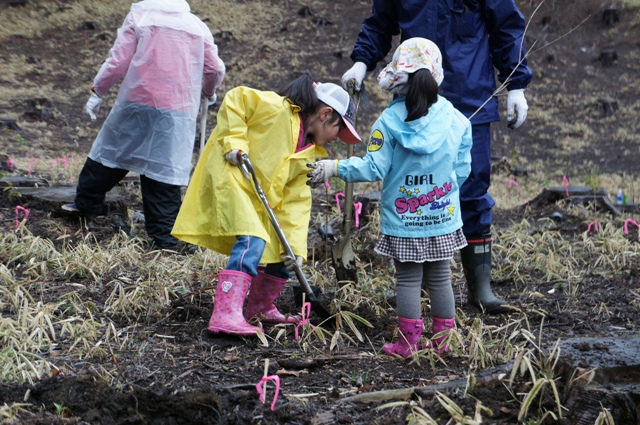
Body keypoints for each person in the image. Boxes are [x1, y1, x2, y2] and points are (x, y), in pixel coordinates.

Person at [341, 0, 533, 314]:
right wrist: (362, 62)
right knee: (413, 188)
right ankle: (418, 284)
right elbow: (381, 23)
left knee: (472, 187)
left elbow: (506, 27)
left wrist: (516, 84)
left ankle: (480, 288)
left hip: (472, 99)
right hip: (414, 103)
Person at [308, 38, 471, 358]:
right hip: (442, 216)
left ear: (397, 76)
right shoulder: (457, 119)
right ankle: (443, 342)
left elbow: (373, 167)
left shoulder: (390, 122)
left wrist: (334, 167)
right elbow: (462, 169)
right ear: (436, 74)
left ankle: (408, 343)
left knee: (408, 279)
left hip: (405, 221)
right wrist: (444, 192)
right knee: (441, 278)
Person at [171, 74, 361, 336]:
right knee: (254, 239)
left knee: (285, 253)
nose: (337, 138)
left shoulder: (309, 152)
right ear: (325, 114)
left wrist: (295, 247)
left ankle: (259, 307)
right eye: (339, 129)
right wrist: (234, 144)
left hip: (260, 198)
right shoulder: (277, 108)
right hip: (234, 177)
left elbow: (296, 201)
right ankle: (224, 314)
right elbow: (235, 99)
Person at [63, 0, 225, 250]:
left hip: (137, 100)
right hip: (177, 109)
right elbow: (215, 69)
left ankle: (87, 204)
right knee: (163, 170)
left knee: (113, 151)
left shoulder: (140, 16)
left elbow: (117, 62)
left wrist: (98, 91)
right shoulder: (197, 26)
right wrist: (209, 92)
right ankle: (165, 240)